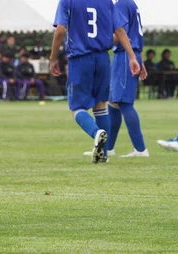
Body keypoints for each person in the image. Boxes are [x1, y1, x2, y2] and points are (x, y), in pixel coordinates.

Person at [50, 0, 140, 164]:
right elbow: (119, 30)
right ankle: (103, 154)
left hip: (80, 59)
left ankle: (96, 133)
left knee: (77, 107)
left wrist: (53, 58)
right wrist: (132, 57)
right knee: (100, 105)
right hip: (103, 58)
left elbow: (60, 31)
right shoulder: (106, 1)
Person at [90, 0, 149, 158]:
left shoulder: (121, 4)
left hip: (125, 56)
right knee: (113, 102)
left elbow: (119, 34)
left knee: (124, 102)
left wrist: (95, 41)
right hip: (128, 55)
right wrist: (140, 59)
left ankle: (141, 149)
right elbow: (137, 34)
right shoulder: (131, 3)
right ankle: (108, 148)